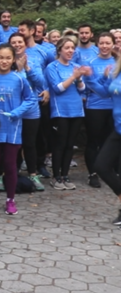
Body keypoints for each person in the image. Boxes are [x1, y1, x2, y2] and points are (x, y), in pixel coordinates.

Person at [0, 43, 37, 215]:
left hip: (12, 128)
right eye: (1, 57)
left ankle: (10, 200)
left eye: (7, 58)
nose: (4, 61)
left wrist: (15, 113)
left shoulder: (19, 79)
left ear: (13, 60)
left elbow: (30, 99)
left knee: (10, 166)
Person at [45, 37, 91, 190]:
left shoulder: (76, 66)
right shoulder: (52, 67)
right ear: (59, 50)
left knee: (70, 145)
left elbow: (82, 89)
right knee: (60, 144)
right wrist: (73, 77)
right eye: (67, 48)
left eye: (72, 48)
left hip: (77, 110)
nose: (71, 51)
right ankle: (56, 176)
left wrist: (78, 79)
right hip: (61, 111)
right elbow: (57, 88)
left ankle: (65, 175)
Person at [8, 33, 47, 191]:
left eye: (20, 42)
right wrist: (16, 69)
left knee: (30, 144)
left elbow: (40, 82)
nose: (17, 45)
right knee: (15, 143)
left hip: (31, 109)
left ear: (25, 44)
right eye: (14, 42)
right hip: (13, 109)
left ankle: (32, 173)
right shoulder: (5, 60)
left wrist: (27, 68)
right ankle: (13, 175)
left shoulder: (33, 60)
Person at [86, 54, 121, 225]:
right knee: (101, 165)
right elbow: (103, 92)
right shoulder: (116, 71)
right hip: (118, 129)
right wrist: (90, 77)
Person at [82, 32, 116, 188]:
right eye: (101, 43)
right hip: (95, 107)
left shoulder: (117, 61)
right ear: (97, 44)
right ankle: (92, 173)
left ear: (113, 44)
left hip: (114, 108)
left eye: (107, 43)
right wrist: (103, 78)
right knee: (93, 141)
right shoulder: (91, 62)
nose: (104, 46)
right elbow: (98, 89)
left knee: (109, 142)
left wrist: (104, 80)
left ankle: (109, 171)